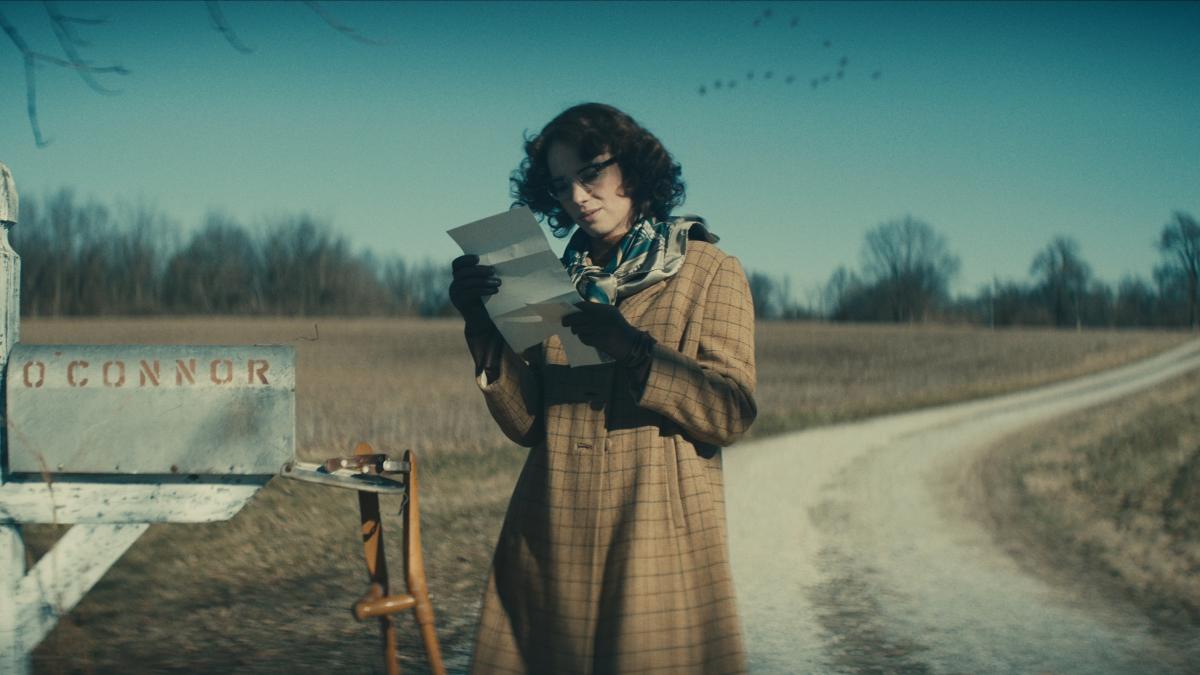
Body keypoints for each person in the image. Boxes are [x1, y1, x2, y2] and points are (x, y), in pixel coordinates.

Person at [449, 103, 757, 674]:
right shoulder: (547, 281)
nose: (578, 197)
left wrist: (635, 350)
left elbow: (731, 412)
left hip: (654, 539)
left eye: (590, 174)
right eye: (562, 185)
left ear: (634, 171)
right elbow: (529, 424)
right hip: (550, 533)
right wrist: (480, 325)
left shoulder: (709, 270)